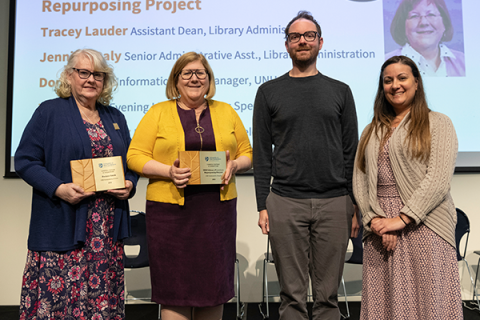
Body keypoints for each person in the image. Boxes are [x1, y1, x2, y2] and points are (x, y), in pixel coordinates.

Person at [127, 52, 252, 320]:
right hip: (170, 216)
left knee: (213, 289)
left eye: (200, 73)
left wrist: (235, 166)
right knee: (175, 291)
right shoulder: (158, 112)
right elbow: (134, 156)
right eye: (187, 73)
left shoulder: (226, 111)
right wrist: (168, 172)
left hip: (217, 214)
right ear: (176, 79)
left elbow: (247, 153)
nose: (194, 78)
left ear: (209, 79)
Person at [15, 48, 138, 319]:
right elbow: (25, 160)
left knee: (100, 304)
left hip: (106, 231)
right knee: (58, 305)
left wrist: (129, 184)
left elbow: (130, 164)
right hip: (63, 222)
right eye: (83, 72)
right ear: (69, 76)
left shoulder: (116, 117)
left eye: (98, 74)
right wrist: (59, 188)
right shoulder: (49, 112)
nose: (90, 79)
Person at [253, 11, 360, 320]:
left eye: (309, 35)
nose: (302, 41)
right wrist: (263, 204)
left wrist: (353, 202)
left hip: (335, 202)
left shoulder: (340, 91)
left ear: (320, 42)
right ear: (286, 45)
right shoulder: (268, 92)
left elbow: (351, 152)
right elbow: (262, 154)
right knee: (292, 297)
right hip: (285, 202)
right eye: (295, 36)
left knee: (328, 298)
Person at [353, 55, 462, 319]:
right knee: (383, 304)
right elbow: (360, 177)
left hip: (426, 225)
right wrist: (377, 220)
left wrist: (401, 219)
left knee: (430, 304)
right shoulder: (371, 129)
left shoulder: (439, 122)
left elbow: (438, 179)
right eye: (388, 80)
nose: (395, 85)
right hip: (379, 229)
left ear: (416, 83)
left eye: (402, 78)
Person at [386, 0, 465, 77]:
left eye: (431, 15)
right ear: (402, 26)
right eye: (414, 16)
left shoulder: (464, 62)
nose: (423, 22)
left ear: (444, 23)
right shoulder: (385, 63)